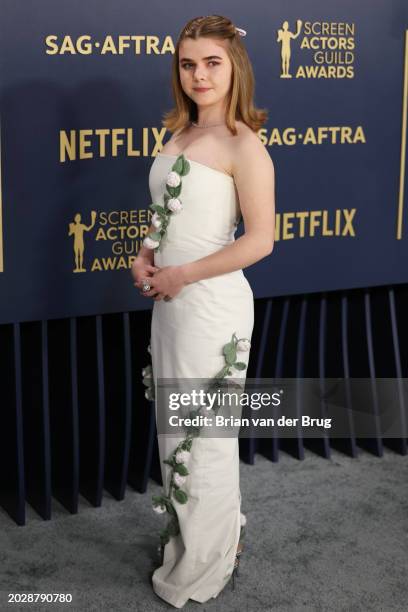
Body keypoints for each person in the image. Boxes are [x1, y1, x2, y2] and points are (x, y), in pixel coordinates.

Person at [131, 14, 275, 608]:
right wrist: (143, 257)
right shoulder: (178, 138)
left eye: (211, 62)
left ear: (233, 65)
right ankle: (194, 540)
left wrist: (181, 275)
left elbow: (260, 240)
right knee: (177, 432)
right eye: (188, 63)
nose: (198, 75)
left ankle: (210, 559)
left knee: (207, 438)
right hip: (171, 305)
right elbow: (166, 216)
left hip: (212, 306)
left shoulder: (246, 144)